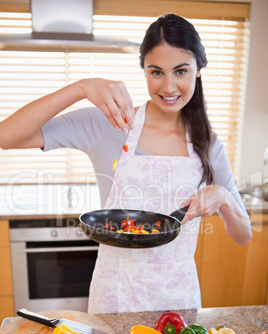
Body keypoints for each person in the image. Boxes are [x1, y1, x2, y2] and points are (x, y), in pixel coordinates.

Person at [0, 14, 252, 314]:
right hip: (115, 297)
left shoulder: (207, 143)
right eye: (156, 72)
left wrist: (223, 197)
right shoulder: (111, 123)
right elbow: (7, 136)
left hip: (178, 299)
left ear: (198, 71)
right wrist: (81, 87)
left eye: (181, 71)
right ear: (144, 70)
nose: (169, 86)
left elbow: (243, 235)